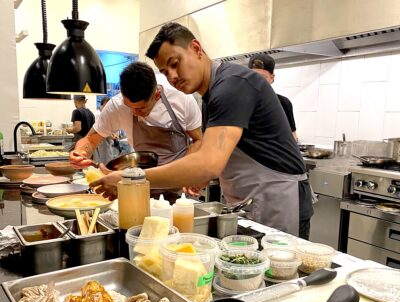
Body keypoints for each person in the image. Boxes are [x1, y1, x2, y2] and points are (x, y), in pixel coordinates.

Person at [92, 23, 313, 239]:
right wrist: (200, 175)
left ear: (196, 49)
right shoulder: (212, 95)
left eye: (175, 63)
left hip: (279, 200)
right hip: (252, 200)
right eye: (165, 72)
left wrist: (132, 178)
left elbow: (208, 163)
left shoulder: (232, 85)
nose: (172, 76)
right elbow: (222, 153)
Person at [69, 61, 202, 169]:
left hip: (179, 181)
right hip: (142, 180)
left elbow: (198, 140)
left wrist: (190, 168)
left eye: (141, 108)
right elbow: (91, 140)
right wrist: (81, 152)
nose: (134, 112)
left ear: (156, 95)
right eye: (129, 107)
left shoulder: (181, 99)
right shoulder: (117, 104)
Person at [248, 53, 298, 142]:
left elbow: (292, 137)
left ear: (272, 78)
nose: (256, 81)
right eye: (253, 76)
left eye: (263, 77)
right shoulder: (239, 102)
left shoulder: (283, 103)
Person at [93, 96, 115, 165]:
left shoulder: (105, 113)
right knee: (105, 162)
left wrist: (112, 134)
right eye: (107, 104)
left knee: (108, 160)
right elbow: (100, 129)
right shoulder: (98, 114)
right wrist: (110, 136)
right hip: (102, 141)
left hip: (107, 140)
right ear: (103, 104)